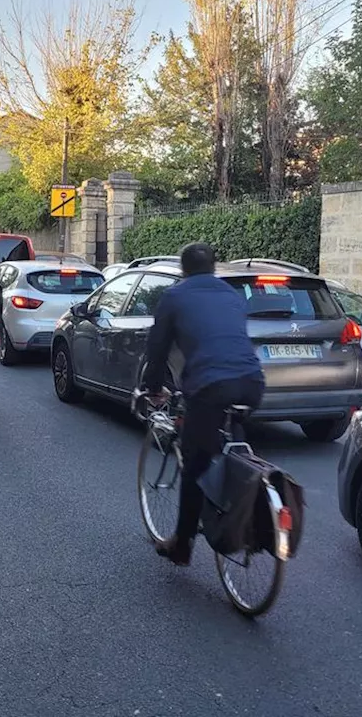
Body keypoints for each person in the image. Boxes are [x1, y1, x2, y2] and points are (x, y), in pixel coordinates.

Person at [141, 242, 266, 566]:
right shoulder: (231, 295)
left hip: (210, 386)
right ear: (214, 267)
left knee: (196, 464)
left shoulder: (175, 296)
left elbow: (157, 349)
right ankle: (239, 502)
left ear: (183, 270)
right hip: (252, 383)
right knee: (233, 449)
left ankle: (182, 545)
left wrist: (152, 387)